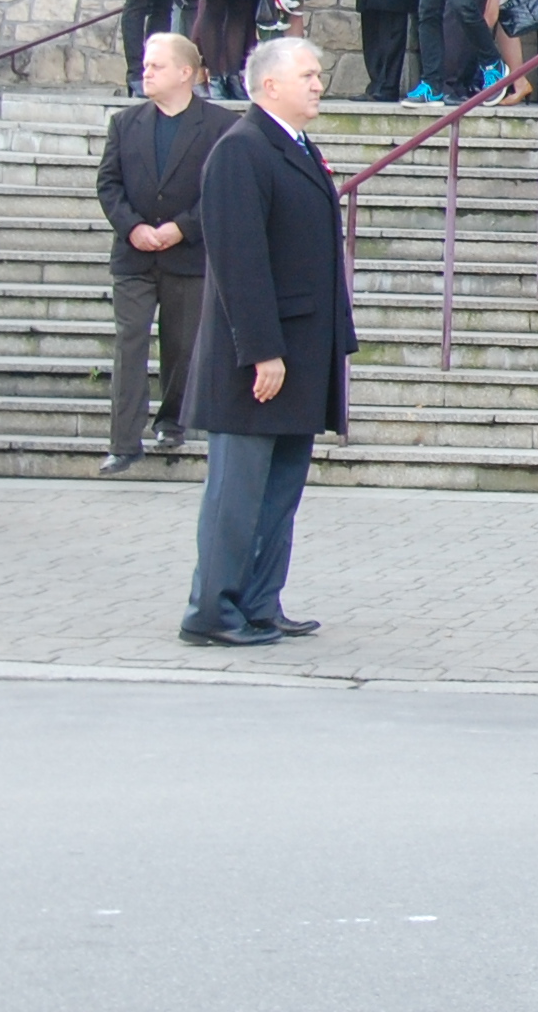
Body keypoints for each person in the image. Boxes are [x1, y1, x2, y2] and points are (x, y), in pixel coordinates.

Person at [179, 36, 353, 647]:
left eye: (318, 74)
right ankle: (212, 611)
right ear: (269, 85)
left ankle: (258, 601)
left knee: (277, 492)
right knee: (238, 492)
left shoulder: (294, 145)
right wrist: (261, 350)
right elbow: (238, 260)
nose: (318, 84)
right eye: (307, 75)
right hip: (258, 358)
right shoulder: (242, 149)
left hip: (300, 350)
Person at [94, 32, 230, 475]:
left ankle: (173, 420)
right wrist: (132, 226)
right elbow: (109, 183)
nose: (146, 72)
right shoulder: (125, 123)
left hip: (187, 255)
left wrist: (182, 228)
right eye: (146, 65)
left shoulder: (220, 125)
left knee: (183, 345)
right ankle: (123, 441)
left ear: (186, 73)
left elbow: (221, 188)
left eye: (156, 66)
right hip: (134, 256)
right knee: (129, 343)